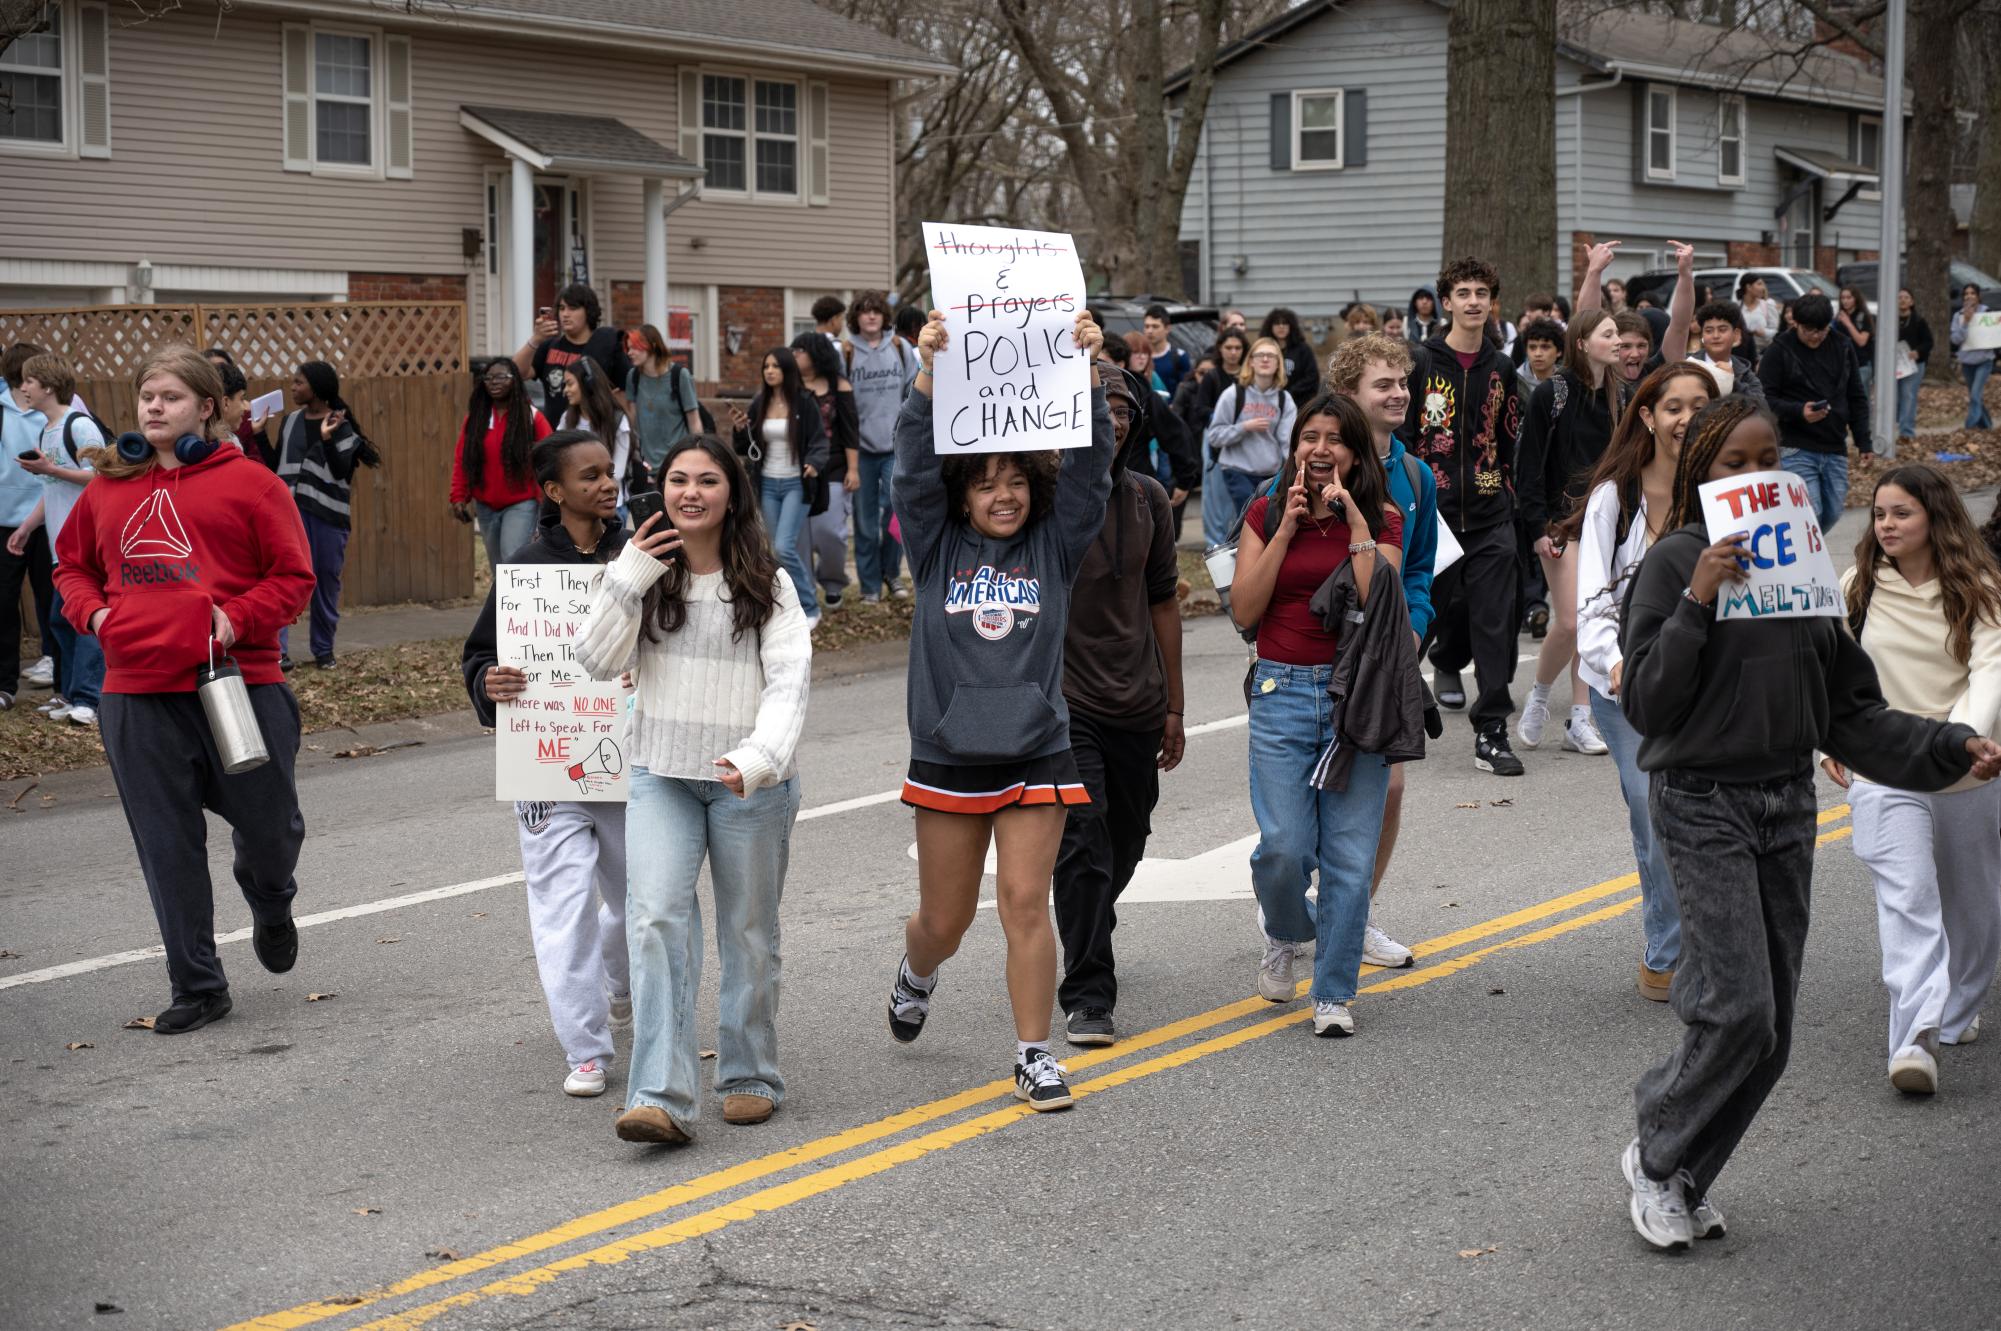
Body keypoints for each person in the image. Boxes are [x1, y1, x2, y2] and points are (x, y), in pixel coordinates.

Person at [1616, 394, 2001, 1251]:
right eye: (1734, 465)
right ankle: (1653, 1151)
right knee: (1739, 1009)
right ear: (1699, 473)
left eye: (1770, 460)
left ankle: (1684, 1172)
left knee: (1774, 1029)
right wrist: (1697, 599)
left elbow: (1852, 713)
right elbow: (1646, 698)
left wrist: (1951, 745)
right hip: (1702, 800)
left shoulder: (1801, 575)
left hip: (1784, 803)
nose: (1758, 478)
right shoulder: (1675, 560)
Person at [884, 308, 1113, 1113]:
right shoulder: (934, 546)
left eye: (1016, 479)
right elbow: (909, 469)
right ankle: (918, 971)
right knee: (944, 921)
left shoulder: (1054, 543)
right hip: (948, 750)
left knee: (1025, 901)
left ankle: (1033, 1054)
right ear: (964, 493)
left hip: (1036, 749)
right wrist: (926, 373)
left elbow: (1092, 472)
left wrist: (1086, 371)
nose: (1003, 494)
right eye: (986, 481)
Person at [54, 346, 316, 1035]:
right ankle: (197, 984)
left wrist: (236, 618)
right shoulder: (107, 488)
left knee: (271, 828)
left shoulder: (254, 485)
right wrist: (98, 615)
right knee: (166, 842)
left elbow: (293, 579)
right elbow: (71, 568)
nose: (153, 407)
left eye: (169, 396)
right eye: (146, 396)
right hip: (136, 691)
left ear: (206, 407)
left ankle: (269, 896)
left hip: (238, 681)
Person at [576, 433, 811, 1145]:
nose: (690, 492)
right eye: (678, 479)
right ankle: (660, 1094)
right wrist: (630, 572)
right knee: (654, 920)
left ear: (732, 493)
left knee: (747, 931)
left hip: (747, 783)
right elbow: (592, 657)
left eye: (707, 480)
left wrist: (759, 756)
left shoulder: (768, 581)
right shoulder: (645, 573)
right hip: (660, 774)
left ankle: (747, 1074)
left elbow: (789, 679)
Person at [461, 430, 632, 1099]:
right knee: (563, 910)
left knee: (637, 898)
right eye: (587, 476)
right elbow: (480, 655)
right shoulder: (526, 570)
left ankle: (619, 981)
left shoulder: (639, 557)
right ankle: (586, 1047)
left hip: (628, 760)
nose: (604, 484)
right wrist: (489, 683)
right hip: (548, 767)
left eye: (608, 472)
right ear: (554, 491)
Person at [1228, 393, 1405, 1036]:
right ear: (1294, 446)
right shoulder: (1264, 510)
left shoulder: (1381, 518)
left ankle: (1332, 992)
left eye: (1335, 439)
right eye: (1309, 437)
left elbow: (1378, 603)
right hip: (1280, 691)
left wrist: (1357, 526)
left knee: (1350, 860)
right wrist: (1286, 530)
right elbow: (1245, 610)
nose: (1321, 449)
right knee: (1284, 847)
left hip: (1356, 698)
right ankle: (1284, 930)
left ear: (1356, 455)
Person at [1827, 465, 2001, 1095]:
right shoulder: (1857, 586)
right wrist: (1828, 743)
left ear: (1934, 517)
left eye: (1902, 513)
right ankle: (1916, 1038)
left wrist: (1966, 740)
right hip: (1883, 764)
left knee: (1974, 913)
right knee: (1908, 898)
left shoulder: (1979, 586)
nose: (1887, 525)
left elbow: (1990, 671)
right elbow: (1828, 670)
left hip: (1963, 764)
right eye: (1879, 514)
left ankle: (1956, 1012)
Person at [1565, 360, 1716, 1002]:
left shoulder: (1728, 490)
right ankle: (1667, 948)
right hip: (1627, 687)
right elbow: (1593, 603)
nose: (1685, 418)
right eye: (1672, 406)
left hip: (1711, 679)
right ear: (1647, 417)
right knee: (1653, 810)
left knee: (1712, 815)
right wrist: (1619, 662)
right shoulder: (1614, 497)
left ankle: (1716, 942)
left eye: (1698, 405)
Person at [1051, 368, 1185, 1048]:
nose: (1116, 421)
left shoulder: (1149, 499)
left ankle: (1087, 921)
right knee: (1083, 839)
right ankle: (1087, 993)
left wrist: (1174, 706)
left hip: (1137, 701)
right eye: (1101, 408)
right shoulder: (1045, 498)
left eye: (1125, 410)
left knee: (1125, 843)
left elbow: (1163, 601)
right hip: (1067, 702)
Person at [1327, 333, 1440, 969]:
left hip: (1388, 655)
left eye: (1402, 382)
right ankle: (1290, 906)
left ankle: (1354, 915)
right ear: (1349, 395)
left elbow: (1421, 568)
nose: (1399, 393)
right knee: (1314, 790)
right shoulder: (1320, 461)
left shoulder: (1416, 473)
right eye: (1383, 384)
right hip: (1318, 653)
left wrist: (1414, 626)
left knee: (1388, 790)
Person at [1404, 255, 1525, 777]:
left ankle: (1492, 731)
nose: (1473, 301)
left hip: (1491, 515)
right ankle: (1394, 706)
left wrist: (1517, 506)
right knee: (1417, 620)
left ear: (1491, 303)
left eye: (1482, 292)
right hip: (1433, 518)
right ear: (1446, 302)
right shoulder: (1420, 362)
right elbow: (1404, 439)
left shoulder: (1502, 370)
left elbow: (1510, 440)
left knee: (1497, 625)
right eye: (1464, 292)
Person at [1516, 310, 1626, 759]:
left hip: (1607, 524)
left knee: (1595, 620)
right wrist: (1538, 525)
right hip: (1560, 523)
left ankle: (1581, 719)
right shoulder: (1552, 394)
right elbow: (1528, 466)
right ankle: (1539, 696)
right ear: (1582, 342)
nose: (1619, 340)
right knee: (1571, 621)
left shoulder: (1623, 396)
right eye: (1609, 333)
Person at [7, 352, 105, 725]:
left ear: (48, 386)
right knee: (61, 621)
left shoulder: (79, 426)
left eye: (30, 381)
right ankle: (68, 693)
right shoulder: (46, 429)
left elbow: (101, 477)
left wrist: (50, 468)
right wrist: (27, 527)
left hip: (87, 544)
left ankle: (90, 699)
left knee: (85, 622)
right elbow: (52, 490)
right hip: (58, 546)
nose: (24, 387)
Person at [276, 361, 378, 670]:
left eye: (299, 382)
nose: (292, 387)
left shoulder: (339, 424)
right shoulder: (289, 421)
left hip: (328, 517)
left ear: (317, 387)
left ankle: (323, 650)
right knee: (282, 579)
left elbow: (340, 471)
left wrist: (328, 438)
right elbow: (273, 465)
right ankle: (278, 652)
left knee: (324, 584)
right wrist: (257, 437)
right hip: (288, 513)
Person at [728, 348, 830, 630]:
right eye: (766, 366)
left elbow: (820, 441)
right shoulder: (759, 402)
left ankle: (810, 606)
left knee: (784, 545)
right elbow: (744, 448)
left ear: (787, 370)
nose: (770, 371)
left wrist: (813, 463)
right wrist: (740, 429)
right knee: (772, 549)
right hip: (768, 483)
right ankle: (783, 603)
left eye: (775, 366)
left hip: (797, 483)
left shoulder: (805, 403)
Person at [1758, 291, 1872, 533]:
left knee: (1832, 512)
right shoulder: (1779, 350)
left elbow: (1856, 396)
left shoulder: (1842, 346)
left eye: (1822, 329)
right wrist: (1799, 412)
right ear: (1795, 323)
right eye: (1809, 330)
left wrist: (1864, 442)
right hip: (1794, 444)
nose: (1816, 336)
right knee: (1810, 513)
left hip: (1834, 444)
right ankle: (1802, 562)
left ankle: (1802, 553)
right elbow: (1763, 399)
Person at [846, 291, 918, 602]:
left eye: (876, 311)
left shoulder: (901, 349)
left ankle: (892, 574)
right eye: (865, 312)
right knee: (864, 522)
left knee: (895, 513)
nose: (871, 316)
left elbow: (914, 393)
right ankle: (870, 586)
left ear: (884, 316)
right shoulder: (847, 352)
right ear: (857, 318)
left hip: (894, 446)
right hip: (860, 451)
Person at [451, 359, 552, 570]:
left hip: (521, 503)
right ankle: (504, 604)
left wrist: (546, 498)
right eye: (488, 378)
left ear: (515, 381)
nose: (494, 382)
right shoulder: (476, 418)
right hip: (485, 504)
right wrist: (459, 496)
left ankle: (519, 603)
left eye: (501, 377)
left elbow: (550, 458)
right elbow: (462, 458)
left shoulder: (532, 417)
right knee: (498, 567)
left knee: (512, 563)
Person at [1, 343, 54, 710]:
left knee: (52, 598)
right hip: (4, 520)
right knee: (3, 601)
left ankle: (61, 676)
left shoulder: (56, 408)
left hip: (47, 519)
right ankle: (5, 684)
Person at [792, 332, 859, 611]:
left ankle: (832, 582)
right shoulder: (787, 385)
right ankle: (803, 592)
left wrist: (853, 469)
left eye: (800, 350)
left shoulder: (838, 384)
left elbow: (850, 429)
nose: (794, 355)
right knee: (798, 539)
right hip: (794, 470)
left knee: (830, 532)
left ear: (816, 354)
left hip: (832, 468)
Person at [1205, 337, 1296, 516]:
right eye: (1260, 355)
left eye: (1271, 356)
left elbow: (1288, 443)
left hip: (1270, 474)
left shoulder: (1284, 400)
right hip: (1237, 470)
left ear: (1278, 364)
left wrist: (1293, 469)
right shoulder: (1233, 395)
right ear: (1251, 362)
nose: (1265, 359)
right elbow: (1214, 436)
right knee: (1249, 517)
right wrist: (1244, 427)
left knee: (1266, 520)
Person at [514, 282, 631, 417]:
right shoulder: (549, 346)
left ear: (588, 311)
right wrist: (535, 339)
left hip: (592, 432)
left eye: (572, 308)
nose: (565, 314)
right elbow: (517, 373)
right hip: (555, 432)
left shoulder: (605, 345)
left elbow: (625, 392)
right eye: (562, 308)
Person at [624, 324, 704, 478]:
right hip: (645, 466)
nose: (630, 353)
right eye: (628, 348)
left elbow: (694, 421)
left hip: (678, 462)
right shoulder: (633, 377)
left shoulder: (680, 376)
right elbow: (632, 423)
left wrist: (698, 456)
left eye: (634, 347)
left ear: (652, 346)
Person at [556, 358, 635, 502]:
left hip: (610, 504)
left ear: (588, 384)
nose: (565, 390)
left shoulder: (617, 420)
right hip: (576, 503)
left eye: (570, 384)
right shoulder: (567, 418)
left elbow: (617, 471)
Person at [1687, 302, 1765, 402]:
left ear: (1736, 335)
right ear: (1702, 335)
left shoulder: (1746, 376)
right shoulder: (1688, 364)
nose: (1715, 336)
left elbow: (1761, 407)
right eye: (1709, 331)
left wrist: (1732, 382)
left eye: (1722, 330)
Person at [1950, 283, 1995, 431]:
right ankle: (1987, 427)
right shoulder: (1958, 316)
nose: (1969, 296)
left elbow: (1993, 336)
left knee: (1975, 394)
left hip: (1984, 361)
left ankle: (1969, 427)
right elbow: (1955, 339)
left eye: (1972, 293)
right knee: (1976, 398)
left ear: (1978, 296)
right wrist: (1966, 322)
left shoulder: (1986, 312)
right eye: (1966, 294)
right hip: (1967, 362)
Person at [1895, 287, 1934, 442]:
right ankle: (1901, 421)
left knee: (1908, 395)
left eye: (1906, 297)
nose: (1903, 300)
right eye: (1899, 297)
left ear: (1912, 302)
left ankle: (1907, 432)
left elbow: (1929, 342)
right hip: (1896, 366)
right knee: (1897, 398)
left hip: (1914, 365)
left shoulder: (1919, 321)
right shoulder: (1890, 320)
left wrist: (1917, 351)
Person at [1262, 307, 1321, 404]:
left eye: (1285, 323)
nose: (1281, 326)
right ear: (1270, 327)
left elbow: (1312, 376)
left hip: (1298, 401)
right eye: (1277, 323)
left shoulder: (1303, 349)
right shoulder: (1264, 349)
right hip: (1269, 400)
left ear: (1291, 326)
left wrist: (1291, 392)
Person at [1142, 305, 1193, 398]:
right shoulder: (1138, 357)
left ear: (1167, 329)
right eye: (1147, 326)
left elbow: (1186, 394)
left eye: (1155, 326)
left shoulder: (1179, 357)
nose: (1149, 331)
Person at [1836, 285, 1875, 396]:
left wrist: (1848, 323)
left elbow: (1861, 341)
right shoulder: (1838, 318)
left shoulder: (1864, 317)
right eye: (1843, 298)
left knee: (1861, 397)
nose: (1845, 301)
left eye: (1849, 298)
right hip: (1844, 365)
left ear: (1856, 299)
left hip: (1861, 365)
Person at [1516, 317, 1563, 401]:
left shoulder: (1568, 382)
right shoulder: (1515, 383)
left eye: (1545, 347)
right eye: (1532, 347)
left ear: (1559, 351)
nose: (1538, 354)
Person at [1737, 273, 1781, 356]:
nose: (1763, 288)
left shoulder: (1767, 305)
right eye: (1759, 284)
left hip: (1764, 353)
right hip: (1743, 353)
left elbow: (1776, 332)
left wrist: (1763, 332)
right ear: (1748, 287)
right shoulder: (1737, 307)